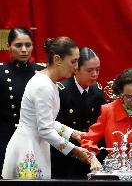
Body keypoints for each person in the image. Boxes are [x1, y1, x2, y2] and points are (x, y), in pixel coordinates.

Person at [1, 37, 93, 179]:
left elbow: (47, 122)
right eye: (73, 61)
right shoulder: (43, 86)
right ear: (57, 59)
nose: (76, 67)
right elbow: (45, 129)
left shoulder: (49, 82)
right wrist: (74, 150)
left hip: (34, 144)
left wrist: (75, 133)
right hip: (28, 148)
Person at [51, 47, 107, 179]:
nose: (95, 74)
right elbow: (54, 126)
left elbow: (101, 123)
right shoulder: (61, 91)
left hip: (91, 152)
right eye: (90, 70)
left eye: (97, 69)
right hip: (66, 153)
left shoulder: (97, 90)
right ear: (76, 69)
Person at [0, 27, 44, 173]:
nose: (24, 50)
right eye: (18, 45)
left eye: (28, 45)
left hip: (36, 138)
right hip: (7, 137)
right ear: (9, 46)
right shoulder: (1, 72)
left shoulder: (41, 72)